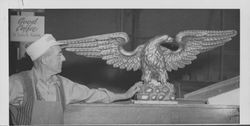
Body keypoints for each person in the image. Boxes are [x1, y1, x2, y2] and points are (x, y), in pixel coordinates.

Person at [9, 34, 143, 125]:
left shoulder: (63, 84)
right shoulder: (16, 83)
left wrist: (124, 95)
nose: (64, 58)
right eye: (59, 55)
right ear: (44, 60)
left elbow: (92, 95)